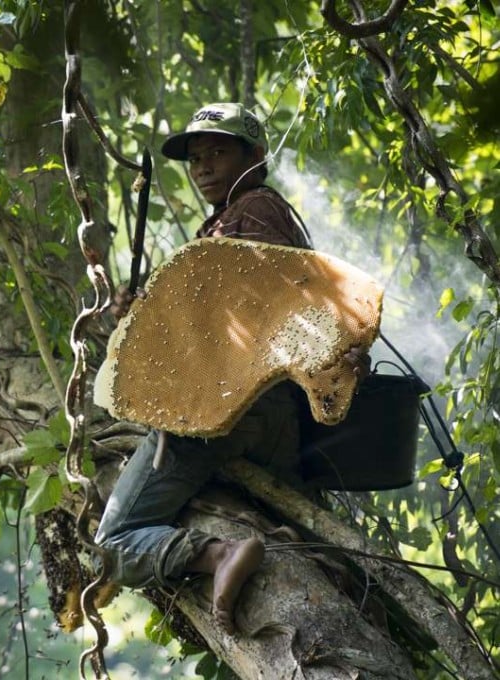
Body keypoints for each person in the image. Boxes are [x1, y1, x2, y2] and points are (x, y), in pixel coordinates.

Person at [95, 102, 360, 634]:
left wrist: (157, 316)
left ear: (256, 155)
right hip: (274, 422)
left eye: (218, 151)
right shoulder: (239, 219)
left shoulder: (254, 211)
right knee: (293, 531)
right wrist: (145, 312)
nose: (203, 167)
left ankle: (219, 556)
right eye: (195, 158)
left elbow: (246, 315)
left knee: (113, 546)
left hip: (223, 410)